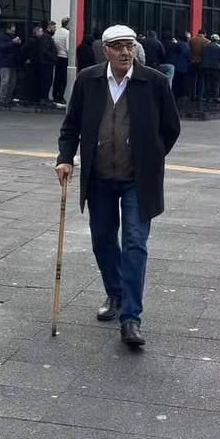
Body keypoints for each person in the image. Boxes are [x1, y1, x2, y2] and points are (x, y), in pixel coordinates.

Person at [56, 24, 181, 350]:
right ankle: (115, 292)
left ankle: (130, 318)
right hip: (99, 177)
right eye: (119, 46)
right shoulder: (88, 80)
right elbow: (71, 124)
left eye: (130, 46)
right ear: (106, 51)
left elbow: (171, 127)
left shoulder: (153, 81)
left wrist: (151, 156)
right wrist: (65, 157)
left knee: (135, 242)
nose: (126, 52)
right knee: (102, 240)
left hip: (137, 180)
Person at [0, 24, 22, 105]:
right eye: (12, 30)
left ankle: (8, 98)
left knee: (12, 82)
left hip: (12, 63)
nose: (14, 32)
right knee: (5, 81)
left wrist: (18, 43)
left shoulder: (12, 37)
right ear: (8, 30)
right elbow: (1, 47)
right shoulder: (2, 37)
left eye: (14, 31)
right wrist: (13, 42)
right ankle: (2, 99)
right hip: (5, 63)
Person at [200, 34, 220, 103]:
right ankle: (215, 97)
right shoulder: (218, 47)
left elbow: (202, 55)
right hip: (215, 67)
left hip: (206, 67)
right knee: (215, 83)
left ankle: (208, 97)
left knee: (207, 82)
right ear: (217, 40)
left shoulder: (205, 46)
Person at [52, 18, 71, 105]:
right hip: (64, 57)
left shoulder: (57, 32)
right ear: (67, 24)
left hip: (57, 56)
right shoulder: (67, 33)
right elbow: (68, 47)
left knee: (57, 78)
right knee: (63, 79)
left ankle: (55, 96)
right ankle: (61, 97)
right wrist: (71, 57)